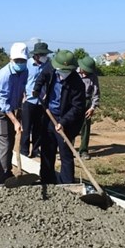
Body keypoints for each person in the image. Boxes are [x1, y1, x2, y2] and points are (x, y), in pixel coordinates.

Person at [34, 50, 85, 184]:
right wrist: (37, 89)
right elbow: (41, 78)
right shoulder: (51, 68)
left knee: (65, 153)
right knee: (47, 150)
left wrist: (63, 122)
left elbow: (77, 108)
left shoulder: (77, 83)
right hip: (49, 115)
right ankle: (46, 180)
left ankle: (67, 184)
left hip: (66, 121)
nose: (63, 73)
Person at [0, 42, 28, 185]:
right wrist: (15, 121)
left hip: (13, 109)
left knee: (10, 141)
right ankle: (3, 178)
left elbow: (23, 88)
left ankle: (8, 171)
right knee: (5, 143)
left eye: (22, 61)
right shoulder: (3, 76)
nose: (20, 63)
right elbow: (3, 103)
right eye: (17, 61)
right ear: (11, 59)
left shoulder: (24, 71)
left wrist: (21, 104)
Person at [20, 42, 53, 158]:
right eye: (43, 54)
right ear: (37, 55)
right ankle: (23, 151)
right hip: (28, 100)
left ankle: (35, 150)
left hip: (41, 101)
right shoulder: (27, 64)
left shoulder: (48, 65)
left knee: (38, 128)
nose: (45, 57)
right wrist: (23, 95)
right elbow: (22, 81)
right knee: (26, 128)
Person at [77, 56, 100, 160]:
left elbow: (96, 93)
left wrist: (92, 107)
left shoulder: (93, 76)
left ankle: (83, 150)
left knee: (86, 126)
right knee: (70, 125)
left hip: (86, 102)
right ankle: (68, 149)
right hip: (74, 101)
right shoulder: (74, 74)